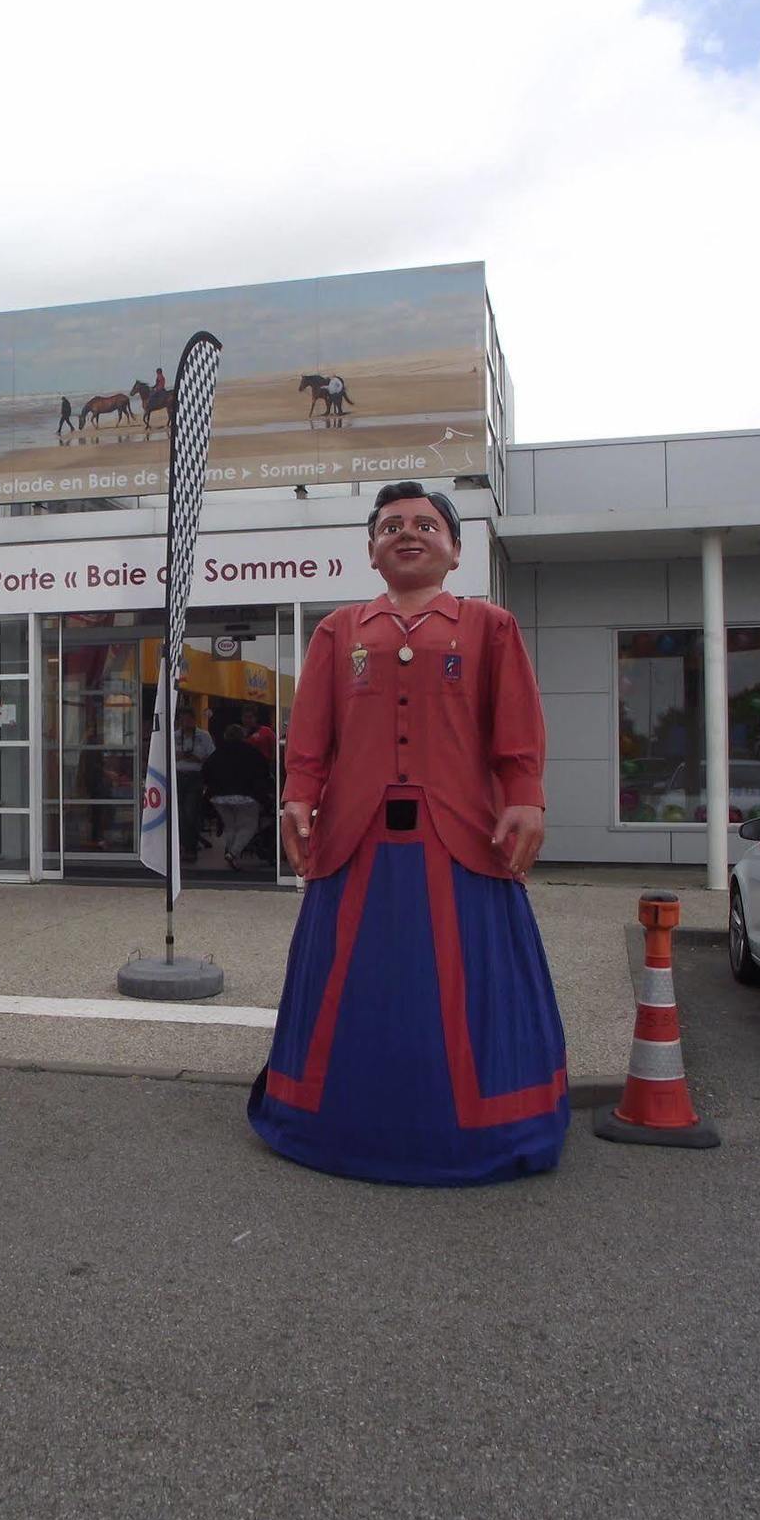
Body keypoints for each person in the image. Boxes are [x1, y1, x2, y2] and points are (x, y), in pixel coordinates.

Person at [247, 481, 568, 1185]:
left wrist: (526, 797)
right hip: (357, 840)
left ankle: (481, 1127)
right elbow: (311, 738)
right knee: (350, 981)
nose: (408, 533)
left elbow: (516, 730)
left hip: (461, 841)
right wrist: (298, 796)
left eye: (426, 524)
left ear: (455, 550)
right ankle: (328, 1120)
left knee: (462, 983)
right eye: (391, 525)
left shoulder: (491, 627)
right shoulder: (338, 631)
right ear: (371, 550)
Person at [202, 723, 273, 870]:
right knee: (249, 826)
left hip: (219, 797)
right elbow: (263, 773)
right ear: (243, 736)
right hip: (246, 796)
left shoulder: (218, 753)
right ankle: (233, 853)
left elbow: (206, 771)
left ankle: (230, 851)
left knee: (230, 825)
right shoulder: (252, 753)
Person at [173, 704, 214, 863]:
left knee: (191, 812)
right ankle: (181, 845)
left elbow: (210, 756)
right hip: (178, 775)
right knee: (179, 814)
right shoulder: (175, 735)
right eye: (182, 720)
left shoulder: (203, 736)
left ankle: (190, 847)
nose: (185, 723)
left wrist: (195, 758)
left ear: (193, 720)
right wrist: (185, 756)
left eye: (188, 719)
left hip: (195, 776)